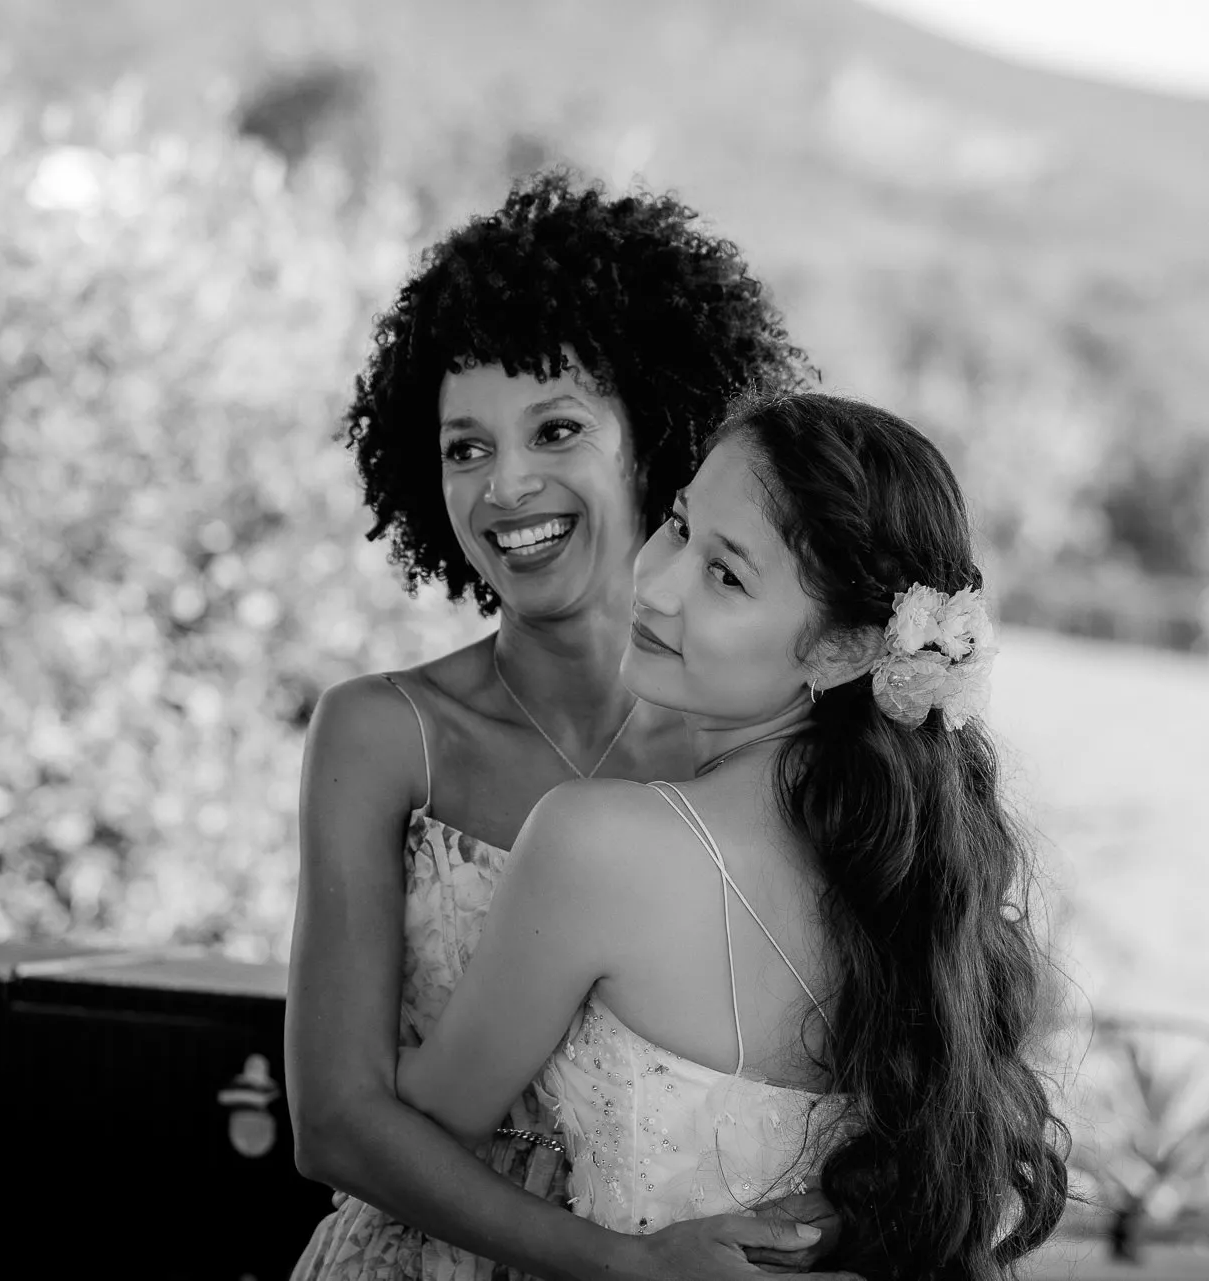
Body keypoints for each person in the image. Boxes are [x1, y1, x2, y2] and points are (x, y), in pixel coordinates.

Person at [286, 172, 847, 1281]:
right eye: (465, 447)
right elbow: (335, 1125)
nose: (507, 485)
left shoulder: (774, 750)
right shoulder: (381, 734)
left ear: (655, 435)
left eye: (555, 429)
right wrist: (623, 1267)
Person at [396, 391, 1070, 1277]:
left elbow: (420, 1124)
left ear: (840, 651)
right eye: (678, 526)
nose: (657, 581)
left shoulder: (599, 839)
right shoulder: (917, 884)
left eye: (726, 575)